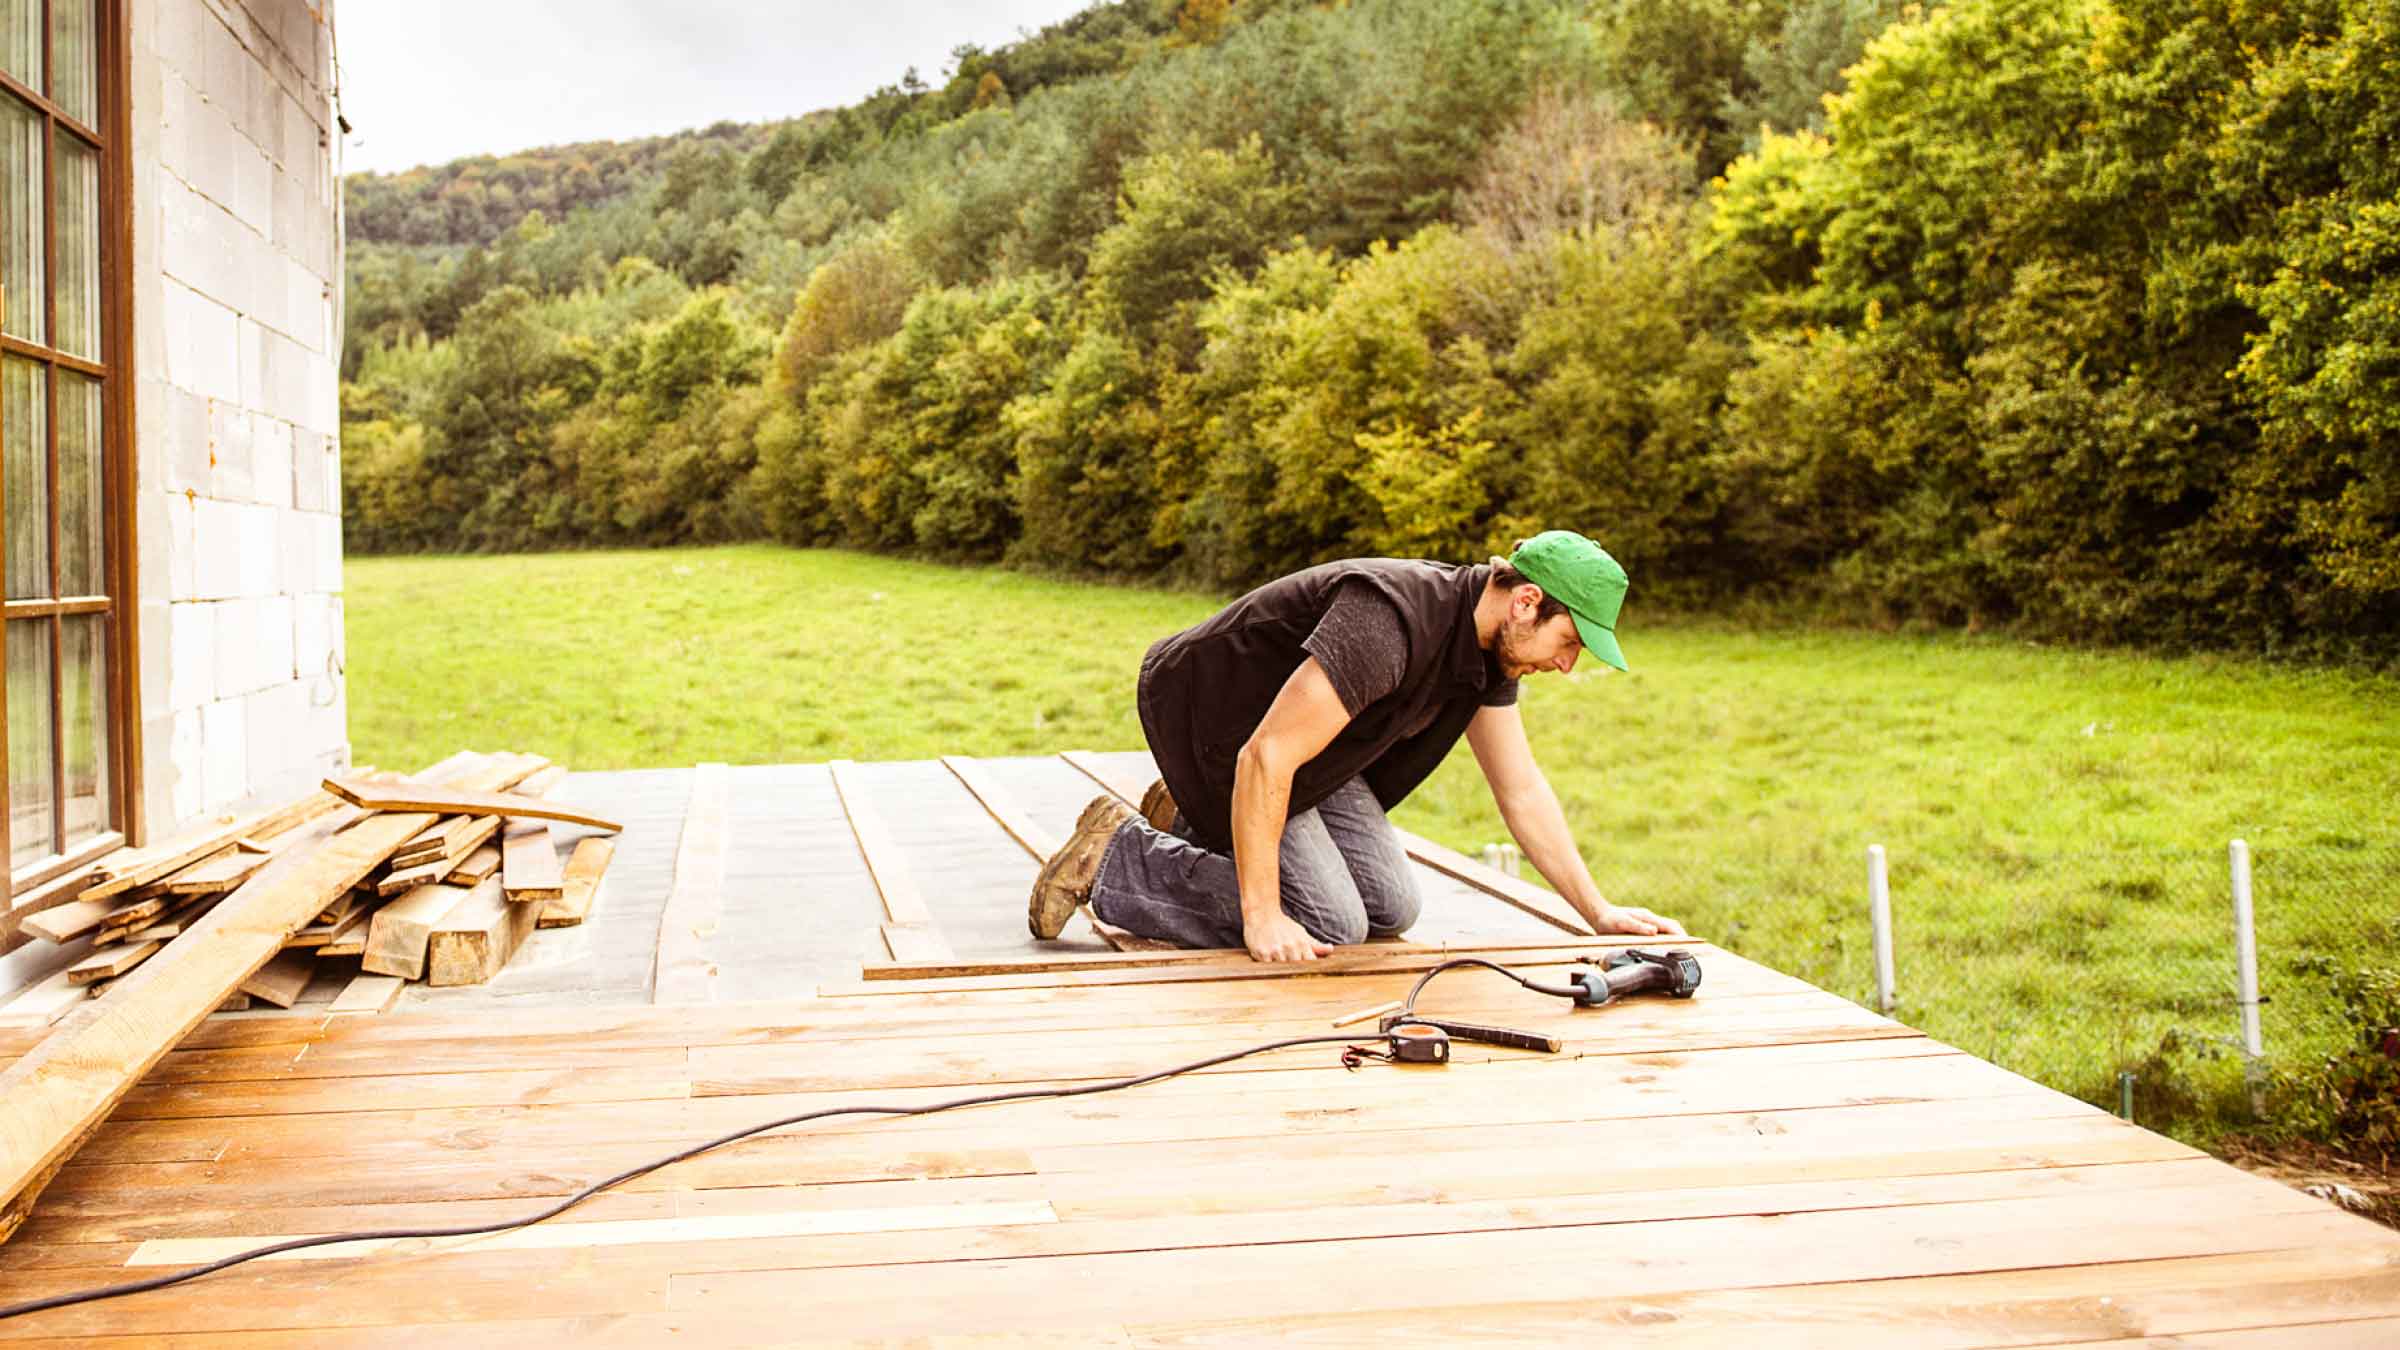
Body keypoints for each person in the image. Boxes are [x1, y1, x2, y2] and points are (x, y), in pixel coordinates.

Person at [1027, 529, 1686, 963]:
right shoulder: (1392, 622)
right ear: (1526, 603)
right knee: (1329, 922)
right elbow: (1265, 756)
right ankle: (1117, 856)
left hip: (1310, 747)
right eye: (1570, 642)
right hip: (1220, 721)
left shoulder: (1489, 657)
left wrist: (1598, 911)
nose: (1568, 665)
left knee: (1392, 907)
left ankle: (1192, 817)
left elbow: (1520, 789)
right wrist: (1260, 916)